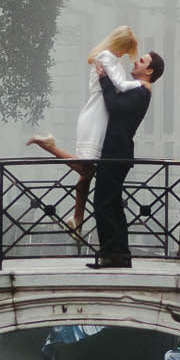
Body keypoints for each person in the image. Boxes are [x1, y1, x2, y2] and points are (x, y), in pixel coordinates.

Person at [27, 26, 142, 235]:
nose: (125, 53)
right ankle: (49, 145)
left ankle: (77, 218)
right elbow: (120, 85)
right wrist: (142, 84)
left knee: (88, 172)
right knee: (86, 168)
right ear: (119, 44)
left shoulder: (113, 60)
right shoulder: (106, 56)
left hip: (101, 116)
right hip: (97, 116)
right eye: (125, 49)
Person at [87, 50, 164, 268]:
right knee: (111, 203)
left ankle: (113, 255)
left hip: (116, 153)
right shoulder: (137, 90)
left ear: (149, 71)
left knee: (104, 203)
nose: (136, 62)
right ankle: (117, 255)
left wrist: (104, 80)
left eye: (141, 61)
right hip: (116, 152)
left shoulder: (141, 92)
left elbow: (114, 107)